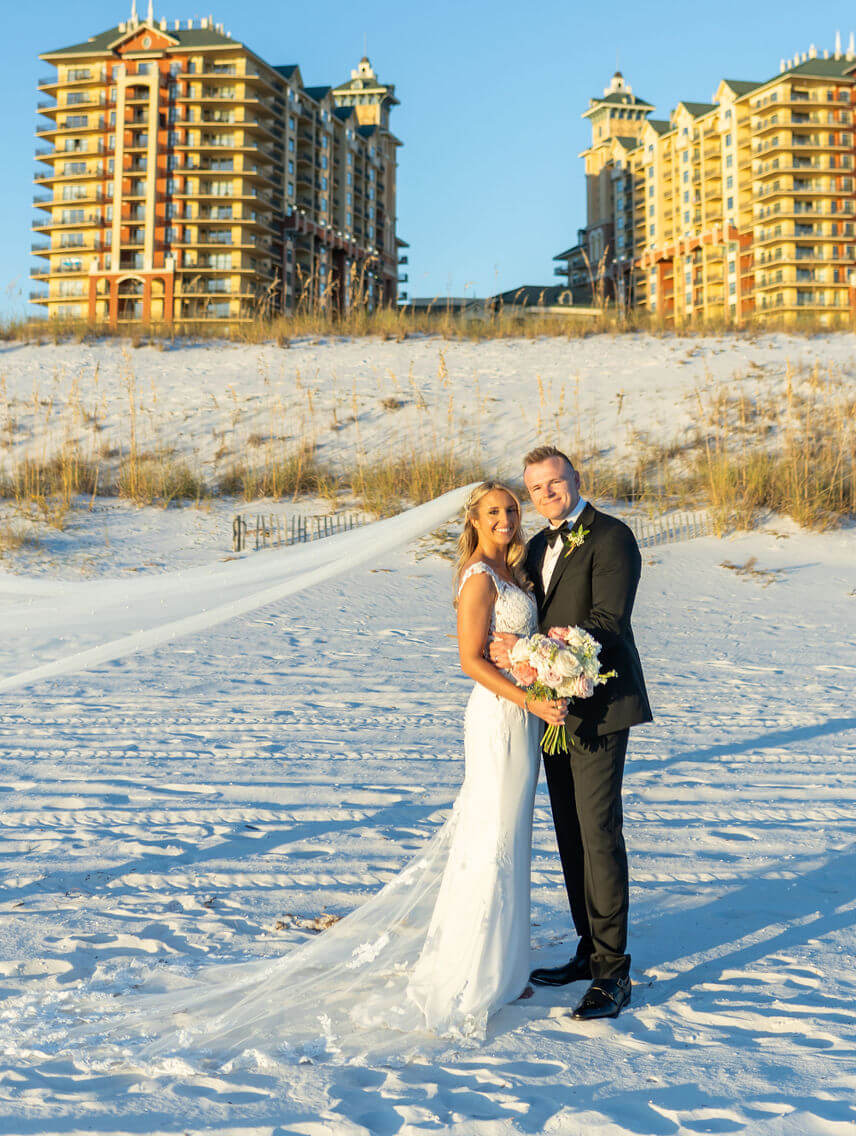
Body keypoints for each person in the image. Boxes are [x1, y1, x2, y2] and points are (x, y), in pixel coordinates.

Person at [54, 482, 565, 1063]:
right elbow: (468, 659)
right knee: (489, 837)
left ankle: (507, 966)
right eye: (493, 511)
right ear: (473, 520)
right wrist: (529, 698)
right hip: (501, 717)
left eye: (510, 509)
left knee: (512, 835)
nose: (505, 518)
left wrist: (538, 663)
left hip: (523, 715)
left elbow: (514, 643)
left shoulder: (516, 571)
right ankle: (476, 974)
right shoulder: (479, 577)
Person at [490, 445, 651, 1022]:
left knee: (600, 833)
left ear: (576, 479)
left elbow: (607, 624)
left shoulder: (612, 537)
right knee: (568, 832)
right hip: (551, 707)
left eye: (554, 482)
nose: (546, 494)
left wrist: (534, 653)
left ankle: (613, 972)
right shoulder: (536, 545)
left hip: (601, 703)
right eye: (535, 488)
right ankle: (587, 950)